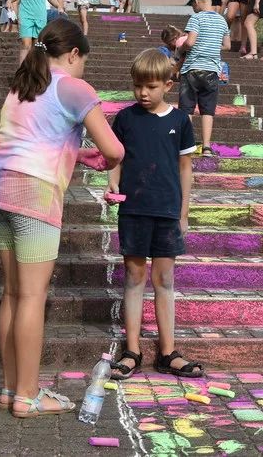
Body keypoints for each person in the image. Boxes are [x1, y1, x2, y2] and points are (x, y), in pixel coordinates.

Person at [0, 19, 124, 417]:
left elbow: (34, 139)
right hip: (35, 194)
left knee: (11, 293)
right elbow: (115, 150)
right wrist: (104, 157)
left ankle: (12, 389)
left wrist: (76, 152)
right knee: (32, 297)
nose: (83, 71)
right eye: (83, 62)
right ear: (73, 54)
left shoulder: (23, 85)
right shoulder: (74, 87)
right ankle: (28, 397)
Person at [105, 49, 202, 380]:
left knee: (164, 280)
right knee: (133, 279)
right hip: (133, 208)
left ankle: (167, 351)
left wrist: (184, 213)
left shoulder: (180, 121)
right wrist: (112, 184)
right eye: (137, 86)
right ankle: (132, 350)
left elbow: (185, 169)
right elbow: (116, 159)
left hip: (167, 210)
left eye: (151, 87)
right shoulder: (126, 118)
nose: (143, 93)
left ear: (169, 85)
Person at [178, 0, 230, 156]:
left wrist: (181, 48)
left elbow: (191, 42)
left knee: (187, 108)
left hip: (192, 68)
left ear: (196, 2)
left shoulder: (196, 18)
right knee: (207, 110)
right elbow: (227, 46)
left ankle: (187, 145)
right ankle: (206, 146)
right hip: (212, 71)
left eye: (192, 5)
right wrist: (212, 47)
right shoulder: (222, 21)